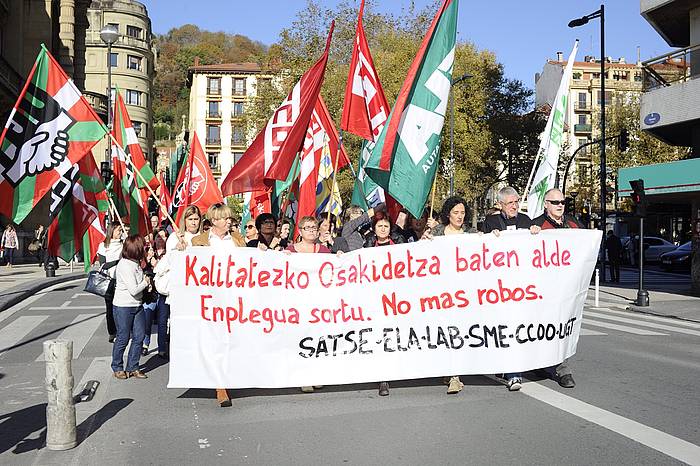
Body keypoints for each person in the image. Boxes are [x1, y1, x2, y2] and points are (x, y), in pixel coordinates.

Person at [481, 186, 540, 392]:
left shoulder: (525, 221)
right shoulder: (491, 222)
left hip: (521, 287)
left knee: (516, 328)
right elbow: (482, 248)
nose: (514, 206)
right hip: (498, 287)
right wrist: (490, 237)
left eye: (516, 202)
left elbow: (537, 248)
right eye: (510, 203)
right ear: (500, 205)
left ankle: (514, 373)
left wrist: (535, 233)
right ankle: (507, 368)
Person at [191, 203, 245, 407]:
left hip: (234, 297)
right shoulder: (199, 241)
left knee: (231, 341)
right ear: (214, 220)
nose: (228, 221)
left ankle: (229, 377)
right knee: (216, 341)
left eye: (229, 218)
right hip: (211, 299)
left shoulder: (238, 240)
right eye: (225, 218)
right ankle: (220, 386)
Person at [422, 196, 476, 394]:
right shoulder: (437, 232)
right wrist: (424, 240)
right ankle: (449, 369)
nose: (460, 216)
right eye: (455, 213)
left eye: (462, 213)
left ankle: (455, 375)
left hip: (464, 293)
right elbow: (421, 253)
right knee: (445, 331)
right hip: (441, 292)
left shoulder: (472, 233)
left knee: (457, 331)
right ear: (448, 214)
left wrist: (494, 237)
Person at [532, 188, 581, 389]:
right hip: (542, 289)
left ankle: (563, 370)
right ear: (546, 204)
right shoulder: (535, 224)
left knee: (562, 328)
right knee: (541, 328)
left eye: (562, 202)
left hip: (567, 288)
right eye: (555, 202)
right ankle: (540, 362)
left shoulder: (573, 224)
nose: (560, 205)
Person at [286, 216, 330, 393]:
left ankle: (316, 374)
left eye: (314, 227)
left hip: (319, 303)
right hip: (298, 303)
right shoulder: (290, 251)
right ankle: (303, 376)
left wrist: (340, 258)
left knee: (318, 338)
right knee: (301, 339)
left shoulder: (325, 251)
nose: (312, 230)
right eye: (308, 228)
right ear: (301, 231)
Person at [363, 211, 405, 396]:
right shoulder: (366, 247)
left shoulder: (399, 246)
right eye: (379, 226)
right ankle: (382, 376)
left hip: (394, 298)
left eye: (386, 226)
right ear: (374, 229)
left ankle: (386, 376)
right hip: (373, 299)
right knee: (378, 335)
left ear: (390, 229)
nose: (382, 228)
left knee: (390, 335)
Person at [111, 234, 150, 380]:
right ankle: (117, 366)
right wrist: (146, 282)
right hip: (123, 306)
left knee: (139, 336)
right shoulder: (125, 265)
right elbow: (133, 289)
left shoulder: (136, 263)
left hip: (137, 304)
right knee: (123, 337)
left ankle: (133, 366)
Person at [97, 224, 124, 343]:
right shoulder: (103, 246)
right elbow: (103, 265)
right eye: (118, 230)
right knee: (110, 308)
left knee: (121, 308)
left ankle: (122, 330)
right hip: (109, 280)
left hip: (121, 280)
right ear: (111, 231)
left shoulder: (124, 244)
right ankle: (112, 332)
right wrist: (117, 261)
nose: (120, 232)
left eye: (121, 230)